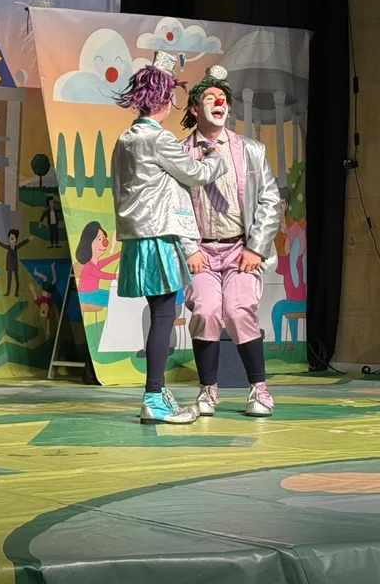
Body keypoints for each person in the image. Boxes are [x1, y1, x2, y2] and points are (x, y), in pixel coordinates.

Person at [110, 51, 227, 425]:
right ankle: (153, 397)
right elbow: (195, 174)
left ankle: (157, 393)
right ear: (163, 100)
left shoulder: (126, 138)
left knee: (161, 312)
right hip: (158, 234)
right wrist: (214, 156)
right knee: (164, 314)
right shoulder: (158, 139)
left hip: (138, 235)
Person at [179, 65, 281, 418]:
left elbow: (269, 200)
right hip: (200, 251)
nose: (219, 102)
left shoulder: (250, 150)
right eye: (210, 97)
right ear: (195, 109)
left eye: (222, 97)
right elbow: (174, 205)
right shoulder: (180, 153)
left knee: (238, 311)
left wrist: (256, 247)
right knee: (205, 311)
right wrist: (189, 248)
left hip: (241, 249)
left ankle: (259, 389)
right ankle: (208, 390)